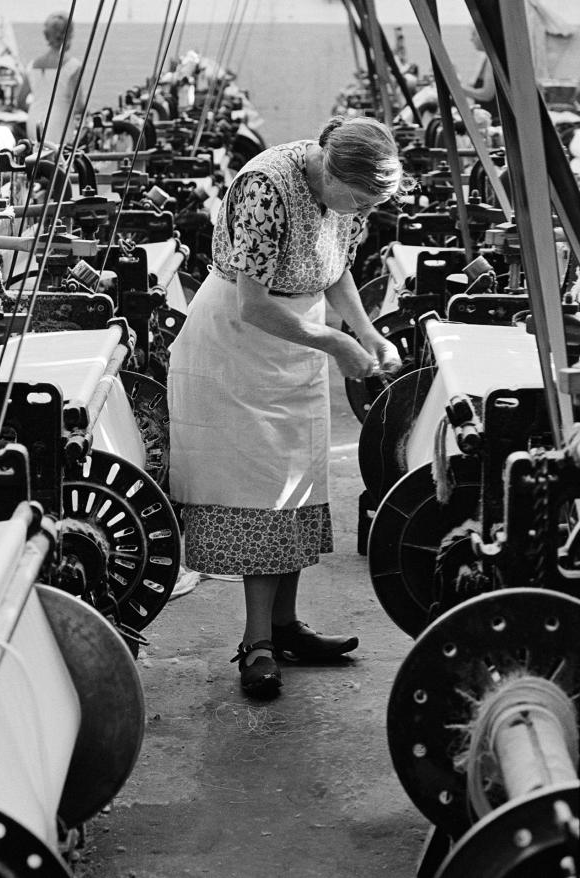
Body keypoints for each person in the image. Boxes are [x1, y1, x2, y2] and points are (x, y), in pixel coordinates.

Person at [168, 115, 407, 698]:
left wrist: (367, 333)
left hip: (294, 342)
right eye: (358, 199)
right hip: (241, 345)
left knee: (298, 486)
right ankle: (256, 646)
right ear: (333, 171)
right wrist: (334, 342)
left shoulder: (348, 198)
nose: (359, 212)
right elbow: (253, 304)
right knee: (261, 498)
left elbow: (336, 269)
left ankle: (285, 626)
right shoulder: (265, 187)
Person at [18, 12, 83, 144]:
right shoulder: (72, 66)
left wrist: (38, 107)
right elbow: (79, 105)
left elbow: (20, 101)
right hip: (59, 125)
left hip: (33, 124)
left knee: (36, 160)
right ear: (69, 35)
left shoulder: (32, 65)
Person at [462, 27, 499, 122]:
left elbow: (487, 94)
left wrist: (458, 88)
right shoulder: (486, 58)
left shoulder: (492, 60)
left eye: (474, 34)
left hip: (494, 119)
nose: (471, 39)